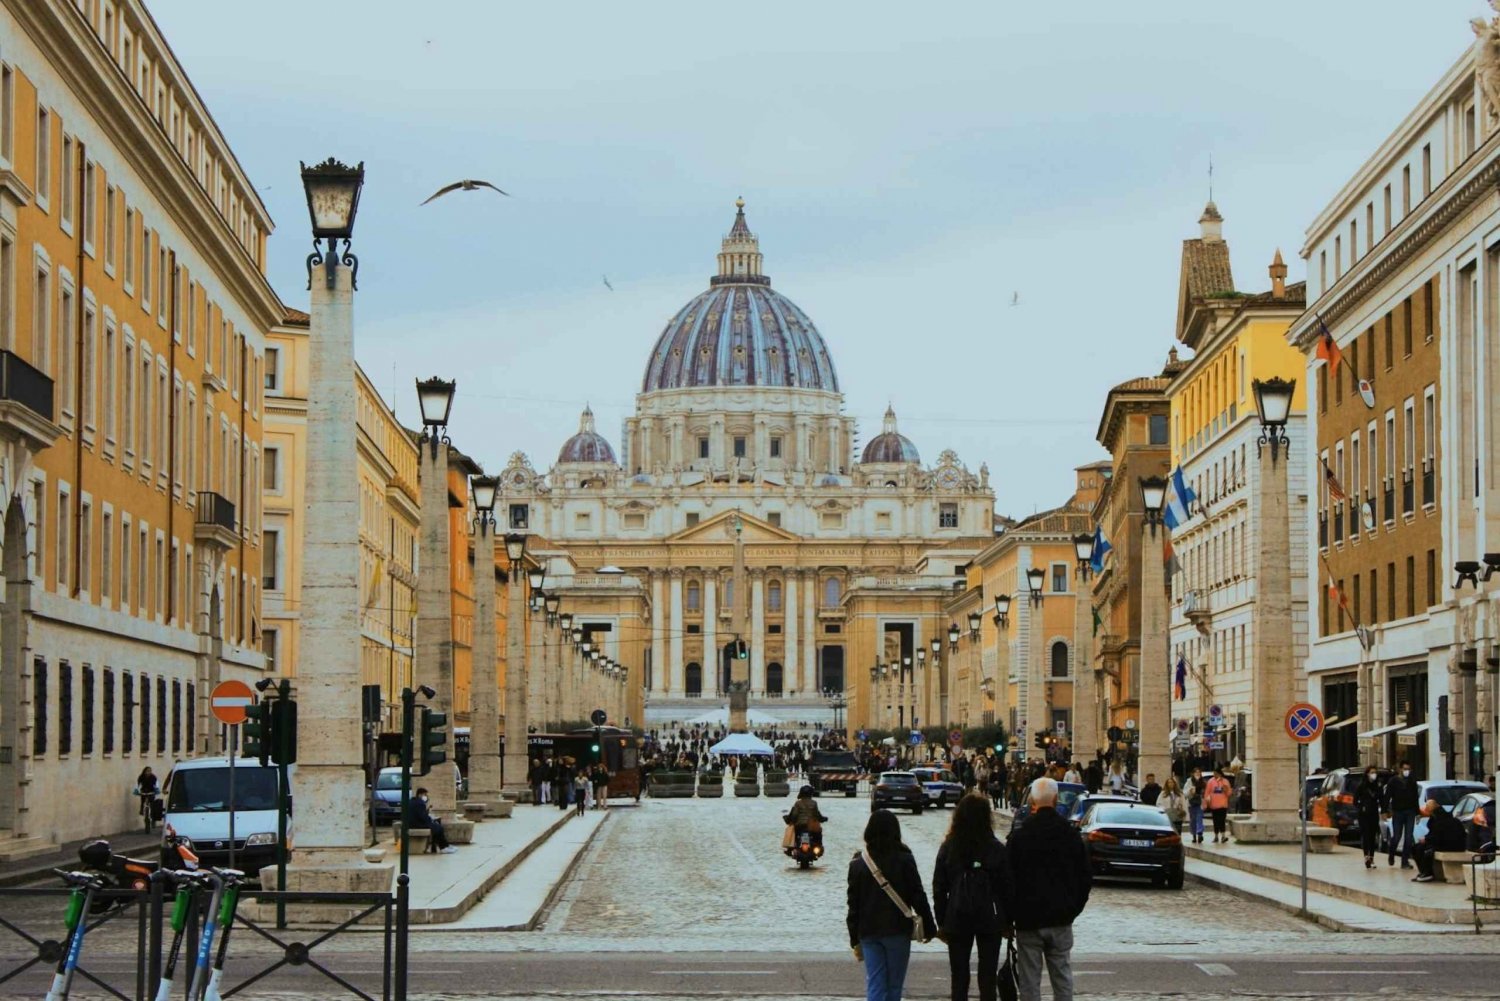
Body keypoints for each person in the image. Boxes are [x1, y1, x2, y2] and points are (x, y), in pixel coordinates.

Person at [1007, 778, 1090, 1001]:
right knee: (1062, 977)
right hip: (1061, 917)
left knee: (1029, 981)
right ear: (1055, 799)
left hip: (1028, 919)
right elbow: (1084, 878)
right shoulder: (1071, 835)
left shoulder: (1020, 837)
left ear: (1033, 800)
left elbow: (1008, 880)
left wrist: (1012, 914)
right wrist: (1073, 909)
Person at [847, 809, 936, 1001]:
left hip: (869, 931)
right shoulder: (905, 858)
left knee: (875, 984)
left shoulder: (859, 864)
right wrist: (929, 926)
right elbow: (917, 895)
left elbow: (853, 905)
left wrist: (854, 937)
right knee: (894, 986)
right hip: (897, 929)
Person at [933, 795, 1014, 1001]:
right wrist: (1008, 921)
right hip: (990, 918)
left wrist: (941, 920)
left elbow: (939, 887)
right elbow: (1007, 888)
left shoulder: (949, 847)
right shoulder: (996, 848)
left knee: (958, 977)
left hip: (957, 915)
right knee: (988, 977)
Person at [1412, 798, 1466, 882]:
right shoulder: (1445, 817)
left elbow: (1436, 837)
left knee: (1421, 849)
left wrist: (1425, 839)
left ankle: (1427, 873)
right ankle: (1425, 872)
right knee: (1419, 847)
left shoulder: (1438, 819)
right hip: (1457, 845)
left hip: (1449, 845)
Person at [1383, 762, 1420, 869]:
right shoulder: (1393, 781)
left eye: (1408, 769)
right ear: (1400, 769)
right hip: (1398, 812)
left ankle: (1405, 861)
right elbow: (1387, 796)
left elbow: (1415, 798)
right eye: (1405, 769)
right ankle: (1391, 853)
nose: (1407, 771)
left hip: (1410, 812)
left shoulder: (1412, 782)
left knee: (1409, 838)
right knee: (1397, 836)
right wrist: (1384, 811)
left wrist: (1417, 813)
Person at [406, 787, 456, 854]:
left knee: (437, 827)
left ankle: (445, 846)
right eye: (425, 795)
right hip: (417, 824)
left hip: (413, 823)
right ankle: (443, 847)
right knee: (438, 827)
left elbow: (419, 814)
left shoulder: (413, 801)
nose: (426, 797)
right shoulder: (420, 803)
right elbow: (423, 817)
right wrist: (430, 819)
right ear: (420, 794)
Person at [1354, 767, 1383, 869]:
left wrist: (1383, 810)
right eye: (1372, 772)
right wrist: (1361, 807)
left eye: (1375, 772)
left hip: (1374, 814)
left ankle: (1372, 857)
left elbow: (1381, 799)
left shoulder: (1378, 786)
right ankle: (1366, 856)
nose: (1373, 774)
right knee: (1365, 835)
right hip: (1364, 815)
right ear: (1367, 774)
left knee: (1372, 836)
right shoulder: (1361, 786)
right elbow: (1355, 800)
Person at [1204, 768, 1233, 844]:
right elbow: (1207, 792)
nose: (1215, 775)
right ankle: (1216, 836)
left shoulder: (1225, 781)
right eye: (1214, 774)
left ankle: (1223, 836)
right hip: (1214, 805)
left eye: (1216, 774)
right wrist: (1206, 802)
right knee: (1215, 821)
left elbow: (1229, 793)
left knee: (1222, 821)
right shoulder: (1210, 781)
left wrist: (1225, 789)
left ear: (1220, 774)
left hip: (1223, 805)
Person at [1184, 767, 1206, 844]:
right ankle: (1194, 835)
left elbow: (1205, 792)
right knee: (1193, 820)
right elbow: (1185, 793)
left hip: (1200, 802)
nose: (1197, 773)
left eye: (1199, 772)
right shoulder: (1189, 781)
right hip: (1192, 802)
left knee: (1199, 818)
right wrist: (1190, 791)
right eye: (1196, 772)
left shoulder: (1203, 782)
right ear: (1193, 773)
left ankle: (1200, 834)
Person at [135, 767, 160, 833]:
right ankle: (142, 810)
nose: (148, 772)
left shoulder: (153, 777)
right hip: (144, 792)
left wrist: (157, 789)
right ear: (144, 771)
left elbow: (156, 784)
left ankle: (153, 818)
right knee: (143, 801)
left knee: (152, 804)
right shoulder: (141, 777)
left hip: (151, 792)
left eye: (149, 771)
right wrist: (136, 790)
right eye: (147, 771)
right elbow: (138, 784)